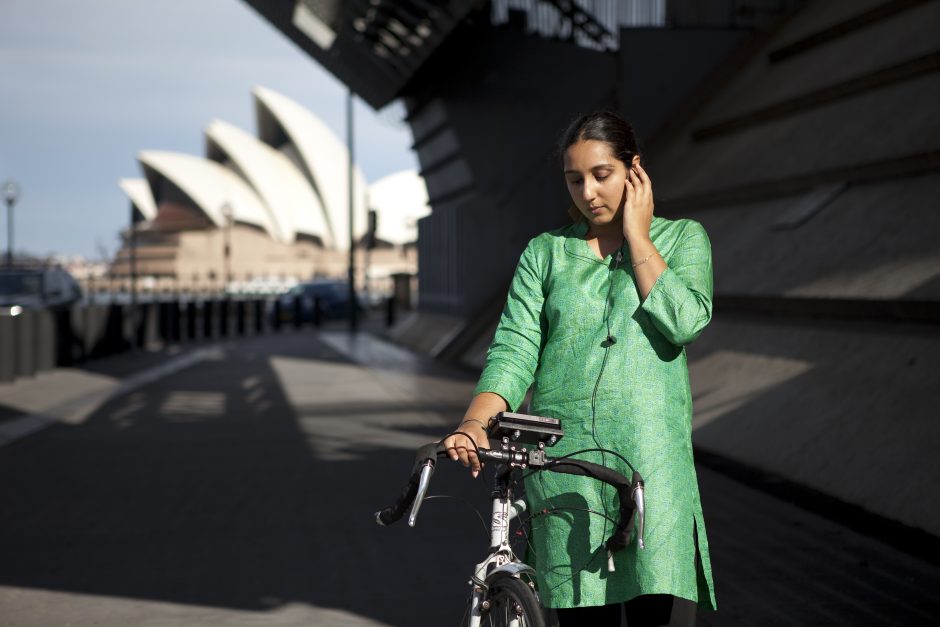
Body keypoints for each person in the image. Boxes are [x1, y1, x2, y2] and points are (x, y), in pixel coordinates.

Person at [442, 111, 717, 626]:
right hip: (566, 469)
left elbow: (685, 322)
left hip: (651, 469)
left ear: (634, 172)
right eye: (575, 179)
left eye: (602, 174)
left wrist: (638, 237)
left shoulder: (682, 240)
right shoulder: (546, 253)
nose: (588, 192)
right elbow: (515, 348)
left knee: (657, 611)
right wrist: (475, 421)